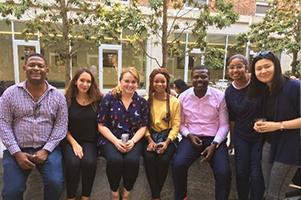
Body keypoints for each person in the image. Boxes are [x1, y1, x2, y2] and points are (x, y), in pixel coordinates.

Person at [0, 53, 68, 200]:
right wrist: (17, 153)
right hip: (18, 148)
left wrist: (46, 150)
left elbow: (61, 126)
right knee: (12, 191)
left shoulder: (57, 96)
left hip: (48, 149)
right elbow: (3, 124)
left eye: (40, 66)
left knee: (56, 184)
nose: (36, 68)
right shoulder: (10, 94)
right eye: (32, 65)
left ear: (47, 70)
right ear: (25, 68)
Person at [172, 65, 231, 200]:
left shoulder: (219, 96)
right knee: (178, 164)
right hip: (191, 138)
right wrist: (189, 135)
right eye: (196, 76)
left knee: (224, 172)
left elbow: (224, 125)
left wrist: (215, 144)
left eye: (203, 76)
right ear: (191, 79)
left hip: (214, 138)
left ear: (209, 78)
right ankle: (181, 197)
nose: (200, 79)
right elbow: (180, 124)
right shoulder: (183, 97)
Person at [249, 51, 301, 200]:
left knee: (274, 194)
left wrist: (279, 125)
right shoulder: (265, 90)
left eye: (267, 66)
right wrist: (259, 125)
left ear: (276, 66)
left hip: (289, 148)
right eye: (258, 69)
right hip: (268, 145)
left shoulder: (295, 86)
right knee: (269, 191)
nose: (263, 71)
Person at [97, 67, 149, 200]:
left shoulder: (142, 102)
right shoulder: (109, 98)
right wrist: (115, 141)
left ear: (138, 83)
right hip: (110, 138)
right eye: (127, 81)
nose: (130, 85)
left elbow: (143, 126)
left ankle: (127, 191)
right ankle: (114, 191)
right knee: (115, 160)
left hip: (134, 138)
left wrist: (133, 141)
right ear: (120, 81)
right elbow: (101, 125)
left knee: (132, 161)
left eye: (134, 81)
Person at [225, 54, 264, 200]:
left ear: (246, 68)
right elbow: (232, 119)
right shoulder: (229, 92)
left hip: (260, 135)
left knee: (256, 173)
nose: (235, 70)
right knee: (241, 171)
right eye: (232, 67)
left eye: (239, 66)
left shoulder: (258, 84)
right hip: (241, 136)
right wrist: (232, 141)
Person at [63, 68, 102, 200]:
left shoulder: (98, 100)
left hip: (90, 141)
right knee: (73, 163)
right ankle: (71, 196)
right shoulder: (67, 100)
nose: (85, 84)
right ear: (75, 81)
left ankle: (86, 196)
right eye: (82, 80)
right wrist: (74, 144)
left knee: (89, 163)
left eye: (88, 81)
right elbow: (62, 126)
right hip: (70, 140)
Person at [144, 68, 180, 200]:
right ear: (152, 83)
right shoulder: (147, 100)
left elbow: (176, 124)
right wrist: (150, 141)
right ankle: (156, 196)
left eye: (162, 81)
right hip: (150, 136)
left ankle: (155, 195)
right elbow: (144, 124)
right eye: (156, 81)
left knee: (163, 160)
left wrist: (167, 142)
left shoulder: (174, 101)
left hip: (168, 137)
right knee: (149, 158)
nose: (159, 84)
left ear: (167, 82)